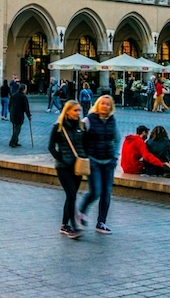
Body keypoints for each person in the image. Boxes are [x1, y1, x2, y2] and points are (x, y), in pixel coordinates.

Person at [79, 95, 118, 234]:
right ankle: (82, 212)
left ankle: (101, 222)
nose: (105, 106)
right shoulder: (89, 120)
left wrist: (115, 156)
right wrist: (84, 156)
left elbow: (117, 138)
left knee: (106, 193)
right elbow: (80, 138)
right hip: (93, 160)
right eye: (102, 103)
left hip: (108, 161)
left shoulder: (112, 121)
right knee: (96, 191)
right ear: (97, 104)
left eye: (108, 104)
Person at [47, 100, 86, 239]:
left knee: (72, 196)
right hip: (63, 167)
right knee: (71, 195)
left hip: (77, 167)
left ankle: (64, 224)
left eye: (79, 110)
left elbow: (85, 144)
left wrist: (84, 157)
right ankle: (73, 227)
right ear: (67, 111)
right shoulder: (58, 127)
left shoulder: (81, 126)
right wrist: (61, 158)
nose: (78, 113)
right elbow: (51, 147)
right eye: (75, 110)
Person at [7, 82, 32, 147]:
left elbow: (9, 105)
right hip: (19, 115)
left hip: (13, 114)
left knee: (14, 128)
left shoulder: (13, 95)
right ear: (23, 89)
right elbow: (26, 108)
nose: (26, 90)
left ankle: (15, 141)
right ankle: (12, 142)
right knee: (17, 129)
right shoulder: (23, 97)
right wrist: (29, 116)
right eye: (25, 89)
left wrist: (10, 111)